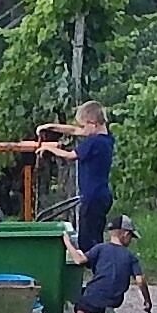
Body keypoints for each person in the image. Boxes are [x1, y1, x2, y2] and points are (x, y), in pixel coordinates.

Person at [35, 98, 115, 258]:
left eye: (84, 125)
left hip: (92, 196)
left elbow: (71, 155)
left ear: (93, 123)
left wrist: (48, 148)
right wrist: (51, 127)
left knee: (87, 241)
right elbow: (74, 131)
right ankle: (100, 266)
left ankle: (95, 268)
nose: (81, 129)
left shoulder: (93, 142)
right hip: (101, 195)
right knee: (95, 236)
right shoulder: (106, 139)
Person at [70, 217, 153, 313]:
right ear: (125, 234)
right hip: (114, 299)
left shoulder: (100, 248)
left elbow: (79, 260)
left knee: (82, 300)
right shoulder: (130, 256)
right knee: (96, 300)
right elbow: (140, 280)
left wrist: (67, 242)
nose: (130, 240)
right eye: (131, 236)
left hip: (92, 298)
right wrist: (147, 301)